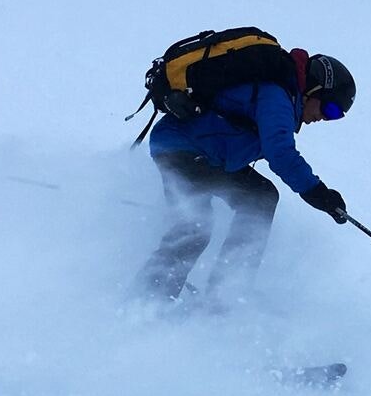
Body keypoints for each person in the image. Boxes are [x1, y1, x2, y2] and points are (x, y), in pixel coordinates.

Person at [135, 47, 354, 307]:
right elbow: (280, 153)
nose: (324, 118)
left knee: (261, 197)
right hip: (180, 150)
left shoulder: (281, 95)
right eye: (330, 108)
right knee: (196, 226)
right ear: (314, 89)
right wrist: (319, 193)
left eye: (335, 116)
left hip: (202, 155)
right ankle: (147, 301)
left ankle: (227, 289)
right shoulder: (277, 97)